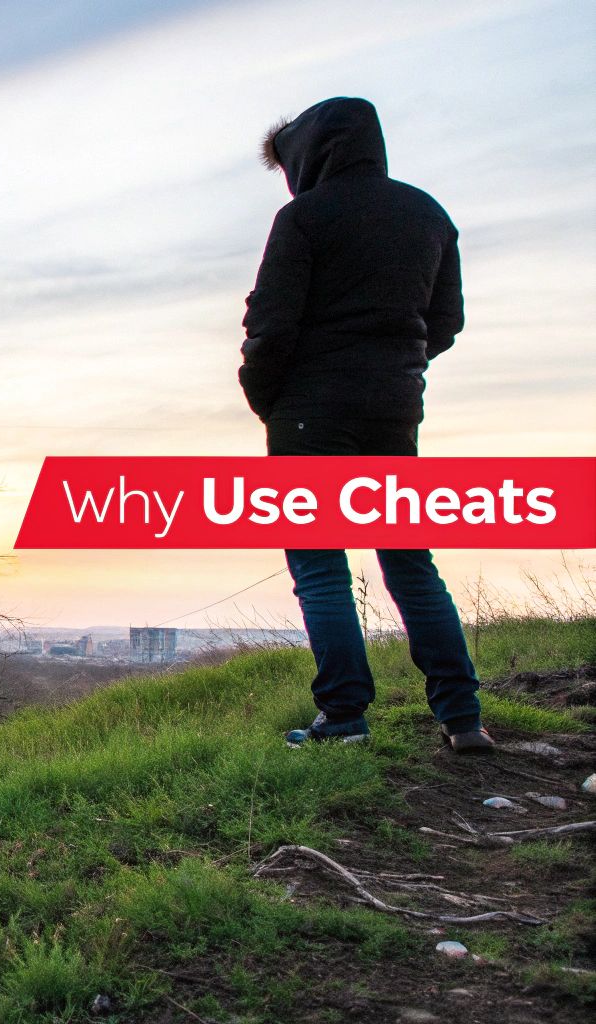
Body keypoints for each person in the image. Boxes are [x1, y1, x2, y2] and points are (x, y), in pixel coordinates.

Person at [239, 96, 491, 755]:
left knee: (319, 562)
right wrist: (396, 366)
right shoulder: (427, 214)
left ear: (310, 155)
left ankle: (345, 716)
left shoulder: (304, 217)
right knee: (409, 559)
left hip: (309, 412)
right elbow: (446, 322)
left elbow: (271, 325)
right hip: (393, 410)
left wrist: (267, 396)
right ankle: (462, 716)